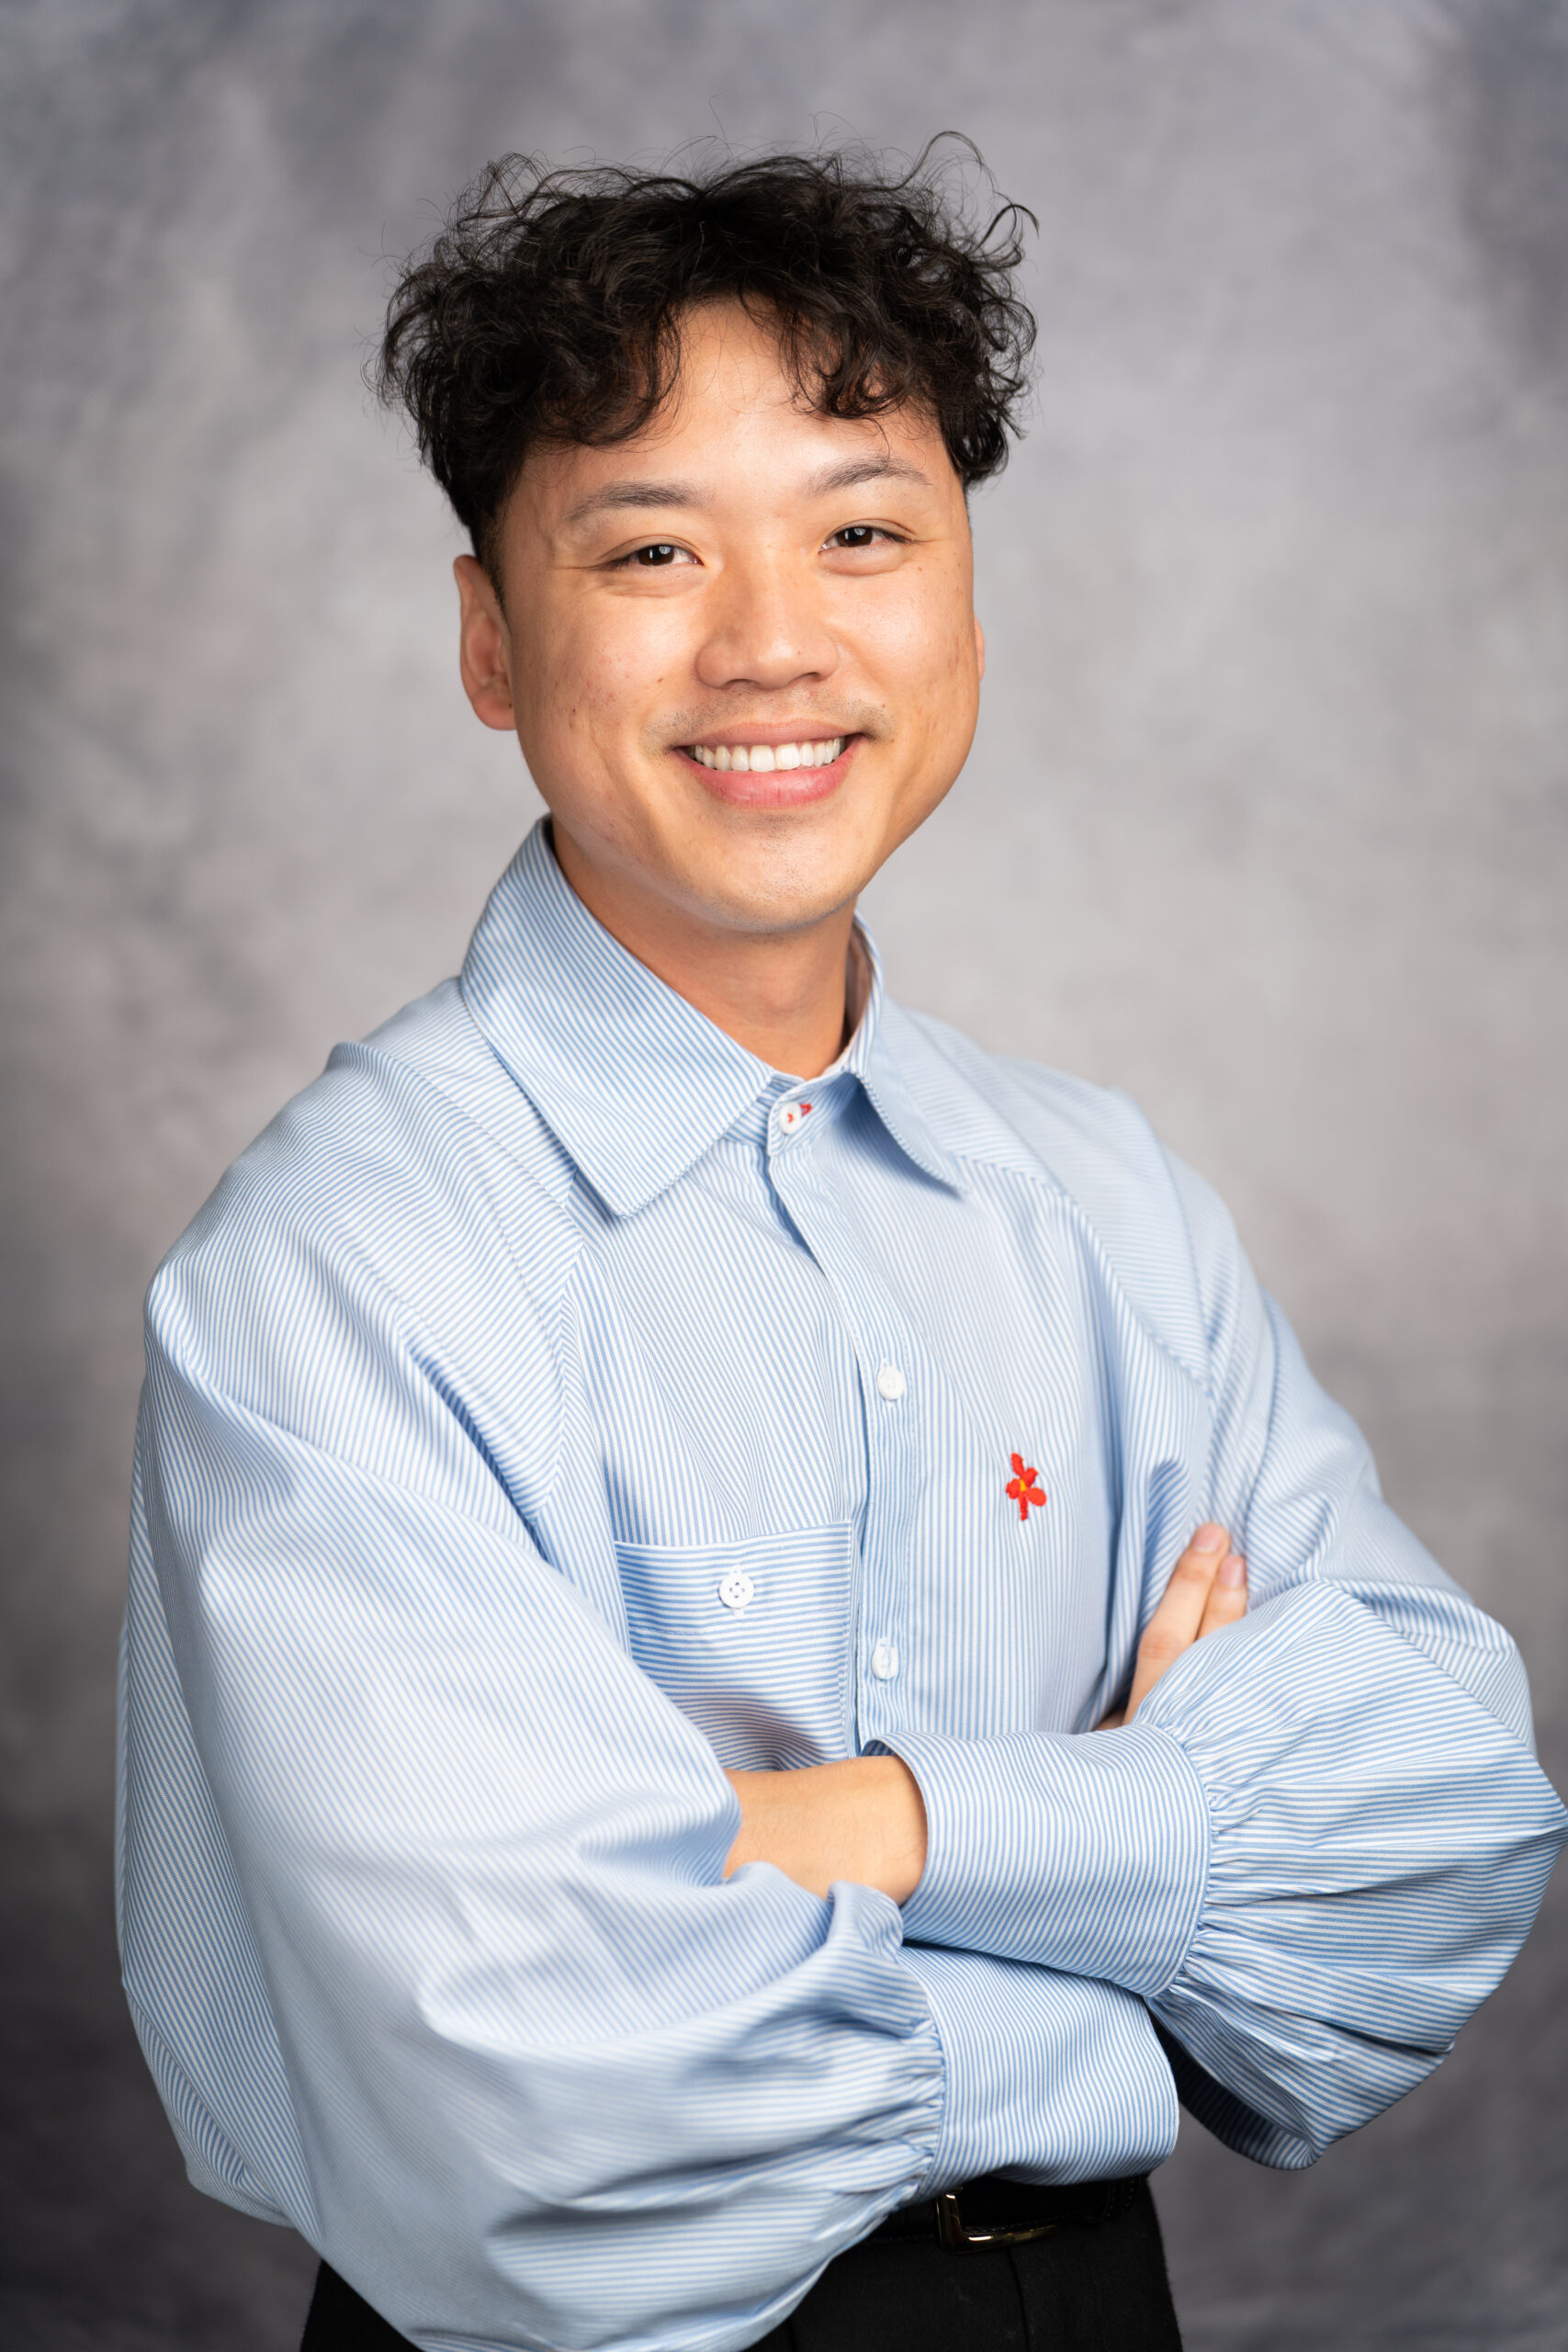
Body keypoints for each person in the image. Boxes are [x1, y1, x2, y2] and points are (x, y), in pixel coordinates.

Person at [117, 144, 1567, 2352]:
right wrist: (1132, 1864)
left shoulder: (1100, 1196)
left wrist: (856, 1824)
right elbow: (532, 2095)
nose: (772, 638)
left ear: (967, 597)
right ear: (491, 641)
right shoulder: (336, 1264)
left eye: (862, 530)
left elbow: (1432, 1836)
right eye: (650, 549)